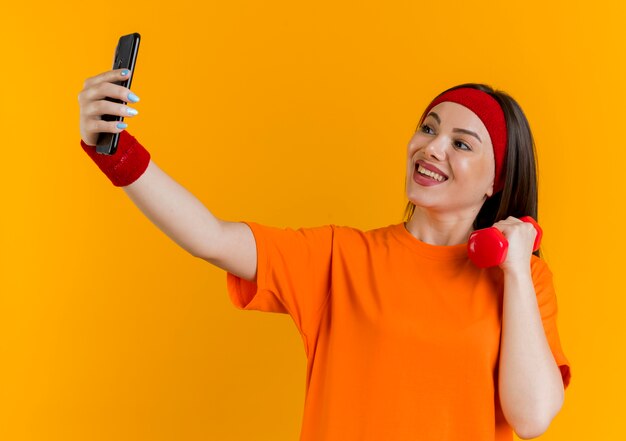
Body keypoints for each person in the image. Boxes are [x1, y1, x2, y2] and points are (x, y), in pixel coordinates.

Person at [78, 69, 571, 440]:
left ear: (496, 181)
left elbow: (530, 417)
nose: (433, 148)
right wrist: (116, 152)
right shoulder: (341, 257)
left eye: (461, 143)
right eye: (428, 128)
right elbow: (211, 236)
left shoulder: (524, 282)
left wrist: (515, 268)